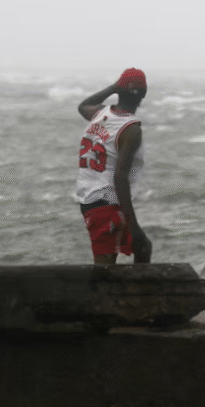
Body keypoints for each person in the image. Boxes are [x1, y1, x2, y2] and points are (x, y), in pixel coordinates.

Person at [75, 68, 152, 265]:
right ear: (144, 94)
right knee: (105, 268)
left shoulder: (100, 113)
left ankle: (135, 294)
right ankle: (119, 295)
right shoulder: (131, 129)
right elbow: (120, 178)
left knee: (142, 248)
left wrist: (113, 87)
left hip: (90, 198)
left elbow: (83, 105)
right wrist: (134, 227)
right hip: (106, 203)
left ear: (119, 90)